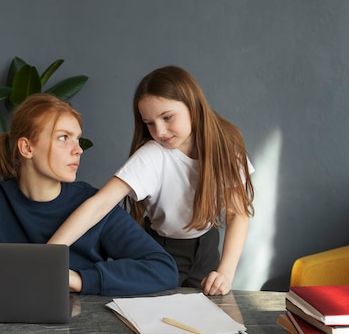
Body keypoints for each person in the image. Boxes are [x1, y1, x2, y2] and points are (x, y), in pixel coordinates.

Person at [0, 93, 178, 308]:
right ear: (27, 147)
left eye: (78, 139)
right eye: (64, 138)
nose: (78, 150)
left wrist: (75, 279)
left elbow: (162, 269)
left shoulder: (93, 205)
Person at [49, 66, 254, 296]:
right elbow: (99, 205)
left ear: (193, 106)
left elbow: (237, 213)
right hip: (161, 250)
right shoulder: (152, 155)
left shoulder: (226, 146)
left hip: (207, 247)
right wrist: (49, 255)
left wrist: (225, 271)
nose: (160, 131)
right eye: (150, 123)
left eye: (167, 117)